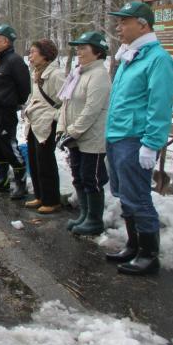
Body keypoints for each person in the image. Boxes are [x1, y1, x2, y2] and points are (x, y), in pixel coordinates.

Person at [104, 2, 173, 275]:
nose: (118, 28)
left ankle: (149, 253)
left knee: (139, 197)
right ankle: (134, 245)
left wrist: (151, 143)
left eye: (125, 22)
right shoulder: (130, 56)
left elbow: (159, 106)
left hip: (136, 139)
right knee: (125, 195)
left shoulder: (158, 59)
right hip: (118, 137)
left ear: (143, 24)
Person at [57, 31, 111, 235]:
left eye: (83, 48)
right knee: (78, 176)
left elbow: (92, 109)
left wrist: (73, 131)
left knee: (91, 178)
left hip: (91, 138)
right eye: (77, 48)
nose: (79, 51)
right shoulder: (78, 73)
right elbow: (66, 103)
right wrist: (62, 129)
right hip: (75, 137)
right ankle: (85, 214)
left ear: (97, 52)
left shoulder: (99, 75)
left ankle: (95, 220)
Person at [0, 24, 31, 193]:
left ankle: (20, 183)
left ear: (6, 41)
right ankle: (2, 179)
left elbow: (24, 88)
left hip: (5, 113)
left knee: (9, 147)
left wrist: (11, 102)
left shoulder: (14, 61)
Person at [22, 39, 64, 206]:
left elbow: (65, 102)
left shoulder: (56, 75)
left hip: (47, 123)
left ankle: (51, 200)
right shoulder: (36, 73)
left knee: (46, 161)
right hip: (35, 122)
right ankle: (40, 196)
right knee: (35, 159)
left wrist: (54, 117)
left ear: (45, 55)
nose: (30, 55)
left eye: (33, 52)